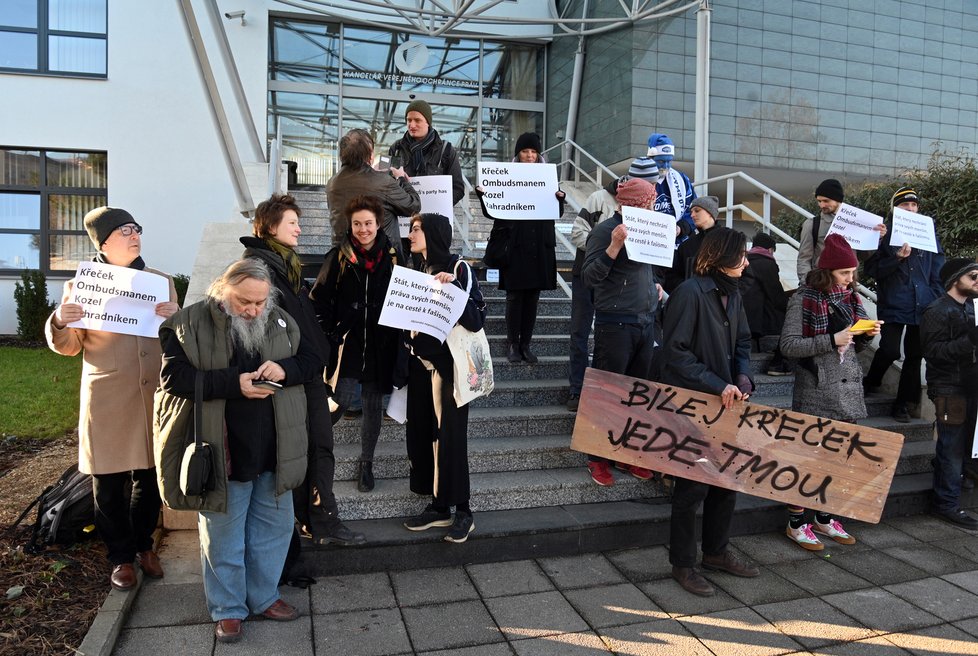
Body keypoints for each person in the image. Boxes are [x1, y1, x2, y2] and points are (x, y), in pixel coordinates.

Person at [155, 259, 314, 643]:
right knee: (223, 535)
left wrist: (286, 370)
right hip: (221, 449)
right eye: (245, 301)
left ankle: (265, 596)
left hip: (275, 447)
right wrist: (232, 383)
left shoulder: (279, 319)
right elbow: (173, 378)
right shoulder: (187, 323)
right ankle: (228, 609)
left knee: (273, 531)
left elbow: (312, 359)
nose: (254, 310)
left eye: (260, 302)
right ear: (222, 290)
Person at [45, 206, 178, 591]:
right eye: (125, 231)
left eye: (136, 228)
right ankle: (120, 557)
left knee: (151, 477)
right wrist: (59, 321)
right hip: (107, 396)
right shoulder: (81, 286)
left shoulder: (159, 282)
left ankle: (143, 546)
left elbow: (176, 338)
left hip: (153, 393)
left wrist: (177, 316)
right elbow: (69, 347)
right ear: (103, 242)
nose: (135, 235)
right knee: (108, 482)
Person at [240, 194, 364, 545]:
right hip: (292, 378)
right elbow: (260, 335)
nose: (299, 228)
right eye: (292, 222)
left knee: (317, 450)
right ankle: (321, 523)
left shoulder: (285, 265)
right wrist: (294, 368)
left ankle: (316, 520)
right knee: (313, 451)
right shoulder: (259, 271)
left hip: (306, 374)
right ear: (270, 226)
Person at [660, 227, 759, 597]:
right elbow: (675, 354)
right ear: (721, 257)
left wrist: (743, 376)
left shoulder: (732, 294)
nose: (746, 262)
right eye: (741, 256)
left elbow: (744, 341)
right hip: (694, 406)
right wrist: (718, 384)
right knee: (690, 490)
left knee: (726, 484)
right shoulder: (689, 293)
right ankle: (682, 564)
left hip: (727, 406)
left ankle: (716, 553)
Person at [779, 234, 882, 551]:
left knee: (838, 458)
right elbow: (788, 346)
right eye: (844, 273)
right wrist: (832, 340)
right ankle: (797, 523)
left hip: (848, 387)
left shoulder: (851, 298)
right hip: (817, 389)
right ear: (827, 271)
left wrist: (866, 333)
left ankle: (824, 517)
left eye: (853, 273)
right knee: (809, 459)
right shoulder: (804, 299)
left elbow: (853, 339)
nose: (851, 279)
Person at [402, 213, 487, 543]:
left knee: (451, 436)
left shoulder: (459, 268)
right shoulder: (418, 270)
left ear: (434, 233)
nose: (410, 235)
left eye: (417, 229)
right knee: (426, 434)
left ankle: (463, 511)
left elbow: (475, 319)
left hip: (451, 368)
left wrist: (452, 290)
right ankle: (439, 507)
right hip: (421, 365)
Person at [310, 195, 402, 494]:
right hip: (346, 347)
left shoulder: (393, 256)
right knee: (336, 403)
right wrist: (331, 332)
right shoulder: (338, 255)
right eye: (357, 224)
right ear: (350, 225)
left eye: (369, 223)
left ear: (378, 224)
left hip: (380, 346)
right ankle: (316, 460)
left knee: (374, 407)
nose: (363, 229)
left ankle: (366, 464)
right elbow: (318, 300)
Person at [580, 177, 660, 486]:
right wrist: (614, 247)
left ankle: (626, 454)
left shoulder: (649, 229)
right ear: (631, 205)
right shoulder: (604, 231)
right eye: (648, 202)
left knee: (637, 395)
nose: (652, 207)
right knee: (607, 391)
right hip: (615, 321)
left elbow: (648, 268)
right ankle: (596, 457)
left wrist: (653, 289)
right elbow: (589, 277)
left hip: (645, 319)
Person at [480, 132, 565, 363]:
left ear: (538, 155)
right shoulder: (507, 177)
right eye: (525, 151)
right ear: (518, 153)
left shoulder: (549, 177)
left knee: (532, 298)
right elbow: (492, 212)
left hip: (539, 247)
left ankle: (526, 344)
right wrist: (484, 197)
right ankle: (512, 343)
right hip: (515, 247)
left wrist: (560, 198)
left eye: (533, 152)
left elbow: (556, 213)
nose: (529, 155)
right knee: (515, 297)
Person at [863, 186, 945, 422]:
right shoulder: (883, 235)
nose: (910, 208)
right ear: (895, 208)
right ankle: (871, 381)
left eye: (913, 205)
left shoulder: (928, 234)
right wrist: (897, 258)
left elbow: (938, 269)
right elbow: (872, 270)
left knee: (914, 356)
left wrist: (935, 296)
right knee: (889, 349)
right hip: (893, 303)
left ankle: (903, 404)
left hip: (924, 305)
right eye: (904, 205)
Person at [920, 257, 978, 529]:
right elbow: (934, 353)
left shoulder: (971, 307)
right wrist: (970, 341)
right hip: (947, 387)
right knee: (951, 446)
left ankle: (952, 486)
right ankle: (946, 504)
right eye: (973, 277)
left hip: (970, 385)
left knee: (962, 444)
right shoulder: (937, 310)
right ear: (956, 279)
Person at [326, 128, 420, 259]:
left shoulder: (332, 183)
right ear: (370, 155)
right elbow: (413, 206)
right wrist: (401, 178)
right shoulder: (383, 182)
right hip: (381, 261)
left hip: (344, 258)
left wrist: (373, 172)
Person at [387, 99, 466, 205]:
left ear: (428, 122)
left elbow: (458, 188)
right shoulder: (396, 149)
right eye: (409, 120)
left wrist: (440, 206)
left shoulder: (446, 150)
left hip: (434, 217)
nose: (412, 125)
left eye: (417, 120)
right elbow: (388, 184)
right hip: (404, 216)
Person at [741, 232, 791, 375]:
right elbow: (775, 293)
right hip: (757, 318)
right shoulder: (767, 263)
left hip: (742, 313)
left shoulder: (745, 260)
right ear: (770, 249)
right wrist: (789, 307)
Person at [662, 195, 719, 294]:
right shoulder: (686, 245)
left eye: (697, 211)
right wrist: (688, 288)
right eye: (691, 212)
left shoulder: (728, 239)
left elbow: (745, 275)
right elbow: (672, 276)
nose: (692, 215)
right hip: (693, 302)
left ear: (710, 213)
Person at [647, 133, 696, 239]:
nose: (665, 166)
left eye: (669, 161)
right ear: (650, 158)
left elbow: (693, 209)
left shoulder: (681, 179)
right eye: (661, 161)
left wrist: (682, 228)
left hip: (678, 243)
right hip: (649, 241)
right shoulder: (640, 178)